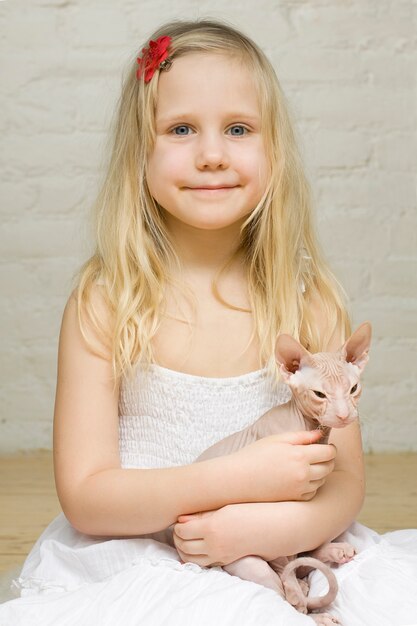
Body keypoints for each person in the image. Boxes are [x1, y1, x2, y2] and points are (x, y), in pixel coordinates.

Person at [1, 18, 416, 626]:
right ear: (138, 148)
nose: (213, 153)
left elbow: (345, 487)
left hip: (284, 545)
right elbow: (88, 497)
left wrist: (256, 529)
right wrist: (233, 479)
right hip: (139, 560)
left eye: (240, 129)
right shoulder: (106, 301)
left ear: (274, 147)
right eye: (181, 128)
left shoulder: (310, 301)